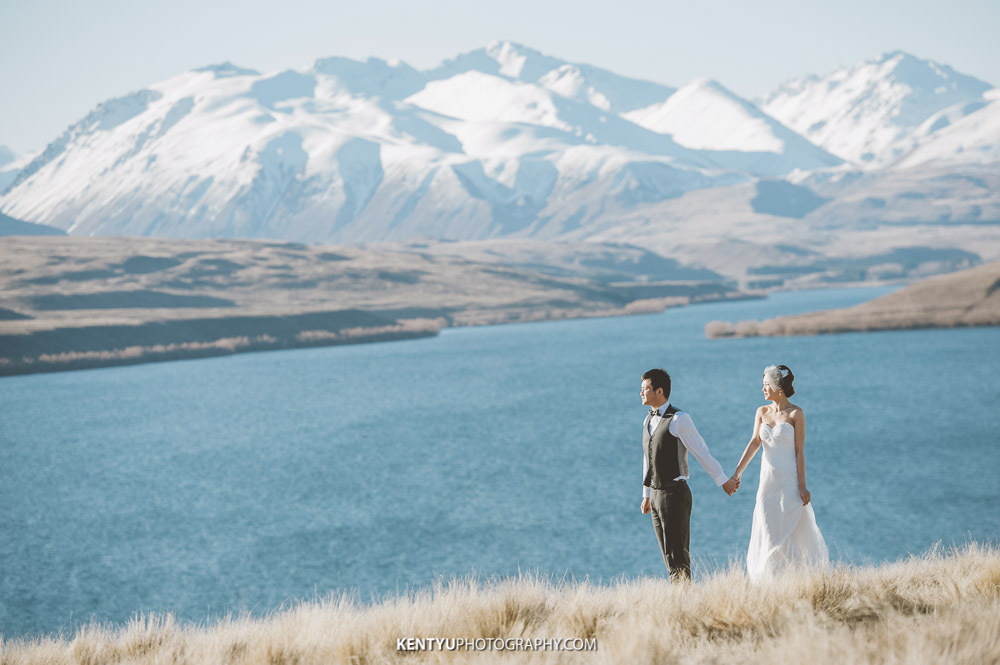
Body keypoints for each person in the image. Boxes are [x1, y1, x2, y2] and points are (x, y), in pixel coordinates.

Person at [728, 365, 828, 582]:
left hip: (789, 482)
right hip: (767, 484)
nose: (763, 389)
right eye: (763, 385)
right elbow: (754, 442)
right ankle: (770, 579)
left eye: (766, 385)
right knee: (768, 528)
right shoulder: (761, 412)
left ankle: (797, 578)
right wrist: (737, 473)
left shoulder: (796, 414)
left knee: (792, 529)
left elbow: (800, 452)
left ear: (778, 387)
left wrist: (802, 485)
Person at [639, 368, 740, 581]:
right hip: (656, 496)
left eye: (645, 389)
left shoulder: (679, 419)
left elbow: (701, 452)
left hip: (674, 494)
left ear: (659, 391)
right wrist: (646, 494)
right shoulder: (647, 421)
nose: (641, 393)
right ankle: (678, 600)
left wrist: (723, 481)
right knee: (668, 556)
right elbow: (647, 459)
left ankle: (685, 601)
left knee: (678, 555)